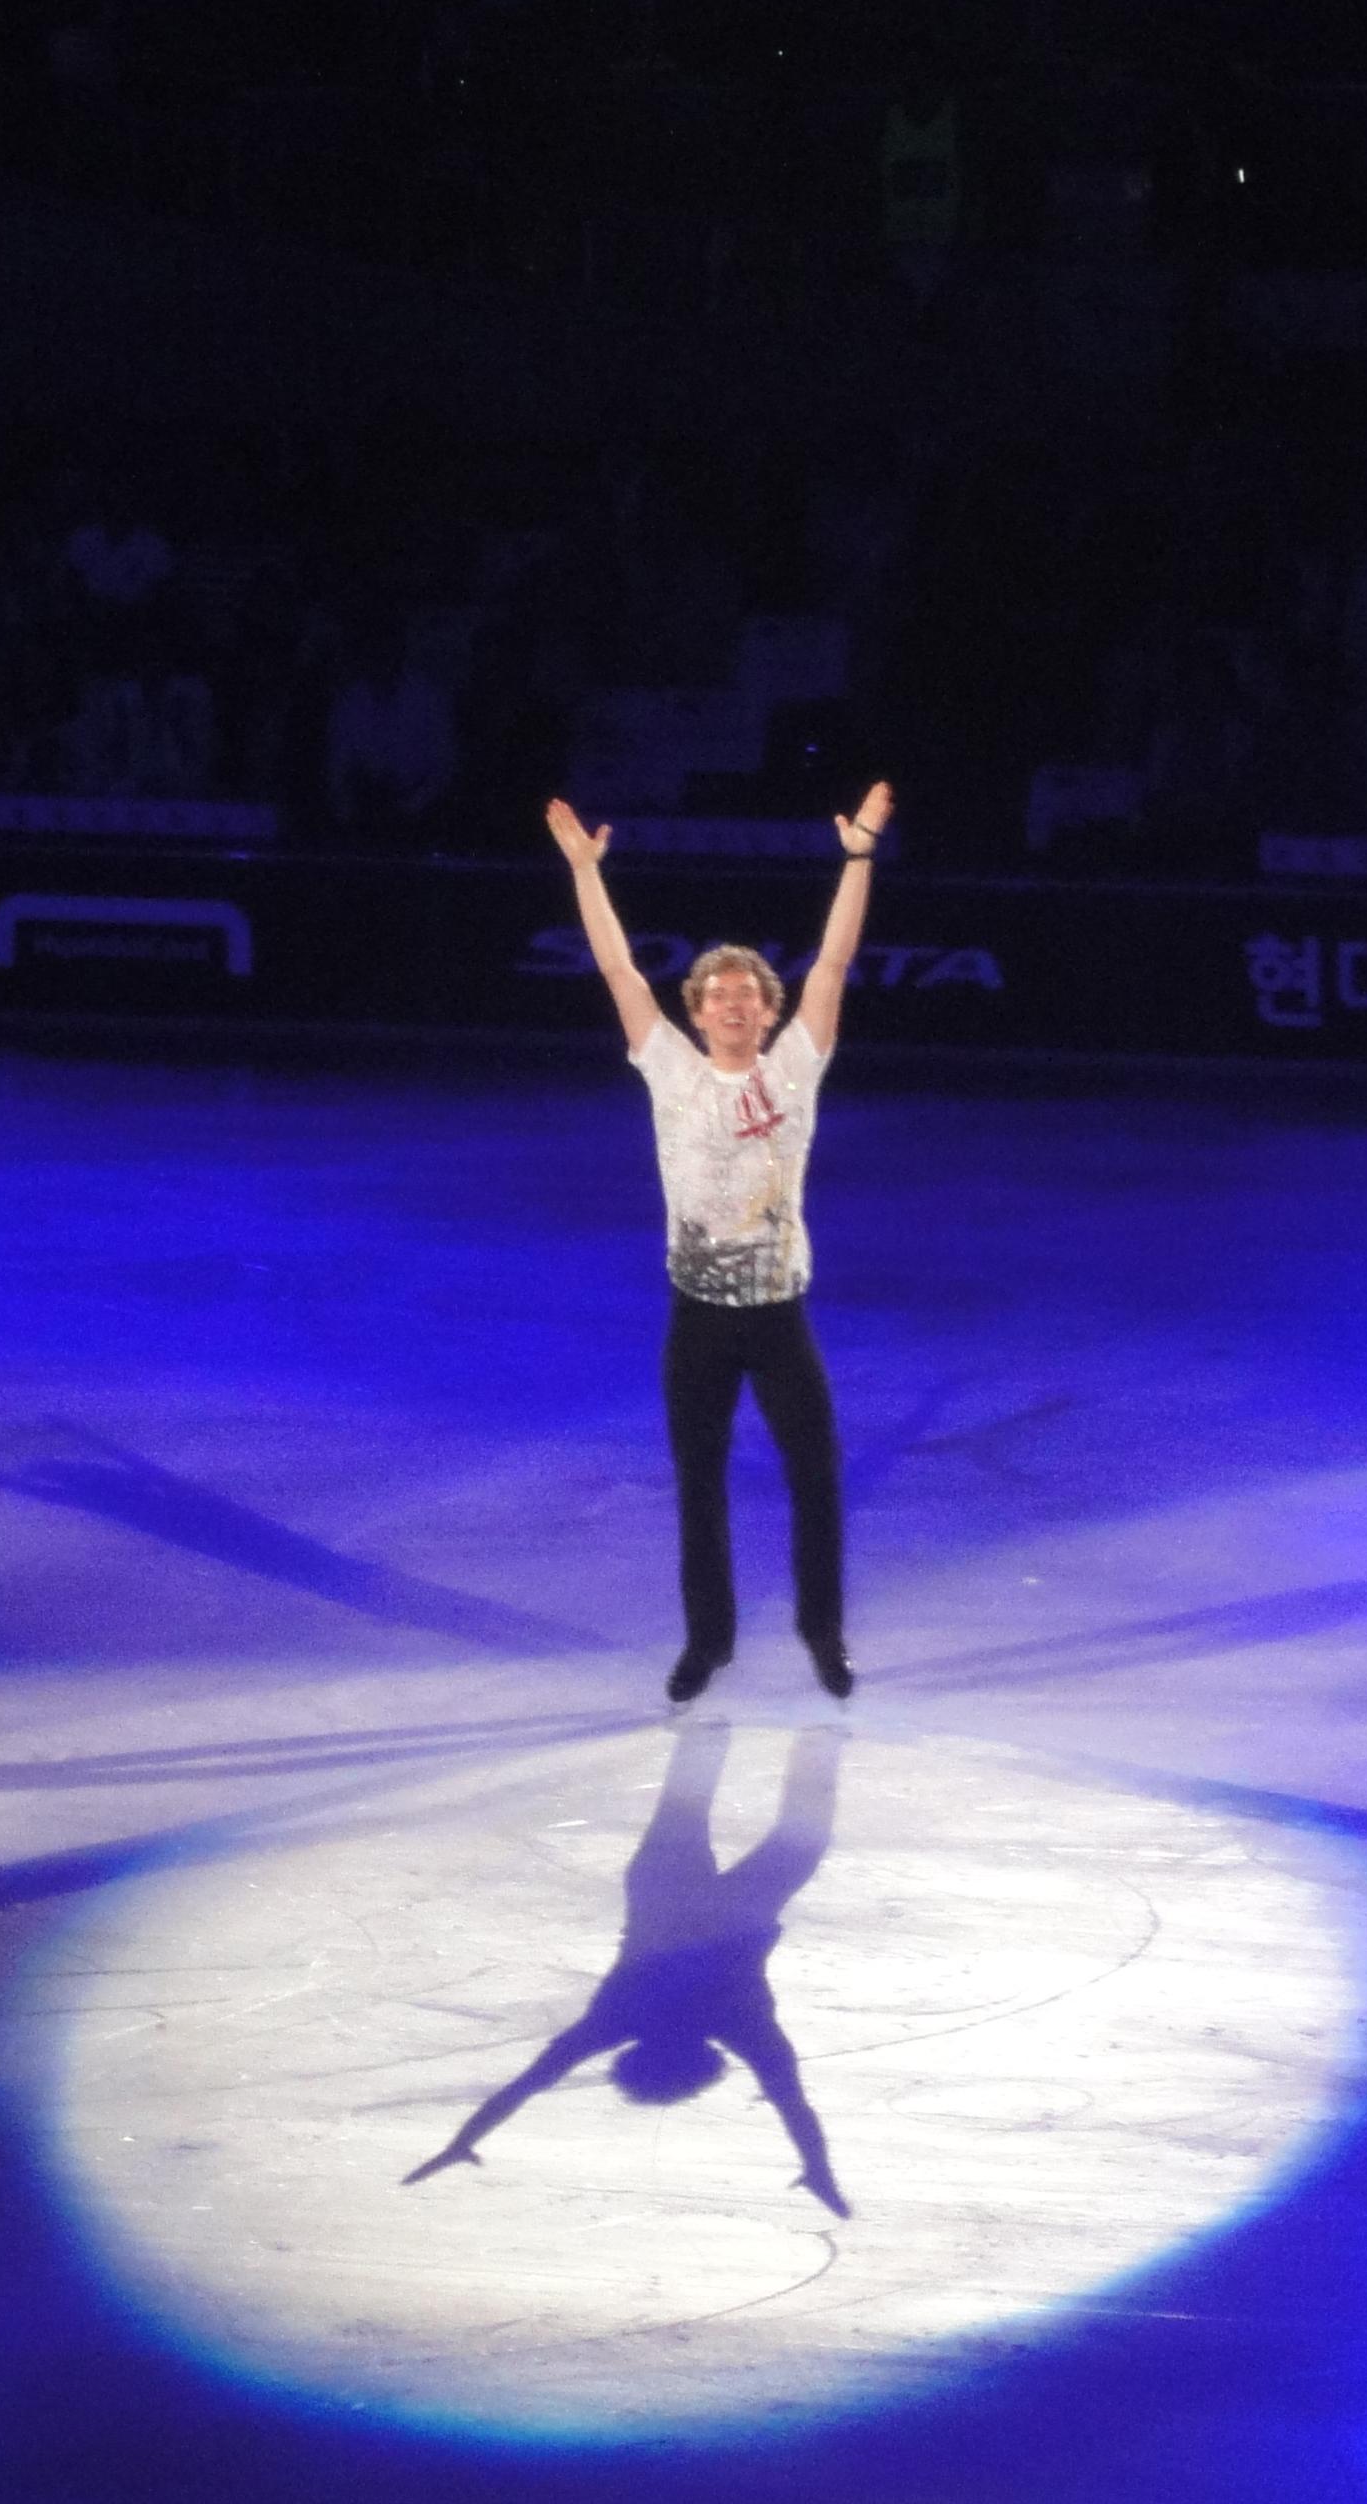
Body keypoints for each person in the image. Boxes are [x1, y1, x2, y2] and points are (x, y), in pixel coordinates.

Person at [543, 779, 894, 1704]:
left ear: (769, 1012)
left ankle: (822, 1631)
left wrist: (858, 856)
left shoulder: (795, 1068)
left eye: (748, 997)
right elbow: (620, 970)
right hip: (696, 1318)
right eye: (718, 997)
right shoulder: (671, 1071)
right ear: (696, 1013)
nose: (734, 1007)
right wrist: (586, 872)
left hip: (780, 1319)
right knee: (699, 1483)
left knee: (815, 1474)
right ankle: (709, 1641)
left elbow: (833, 962)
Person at [403, 1720, 848, 2213]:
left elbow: (791, 2102)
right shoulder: (613, 2023)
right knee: (685, 1808)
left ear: (703, 2066)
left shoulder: (744, 2030)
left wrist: (817, 2165)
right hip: (662, 1891)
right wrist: (464, 2139)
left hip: (732, 1910)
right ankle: (708, 1731)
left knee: (799, 1839)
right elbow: (529, 2083)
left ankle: (815, 1742)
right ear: (633, 2060)